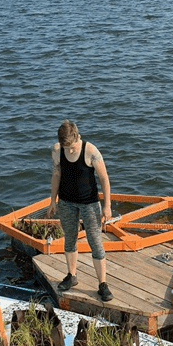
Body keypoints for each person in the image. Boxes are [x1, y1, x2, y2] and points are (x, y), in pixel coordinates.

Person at [46, 120, 114, 302]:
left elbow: (104, 179)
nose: (67, 149)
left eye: (69, 145)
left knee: (95, 241)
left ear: (76, 136)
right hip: (66, 202)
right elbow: (56, 174)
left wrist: (107, 206)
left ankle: (102, 284)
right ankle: (71, 276)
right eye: (64, 145)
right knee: (70, 238)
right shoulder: (57, 150)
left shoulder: (90, 150)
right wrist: (53, 201)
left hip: (89, 204)